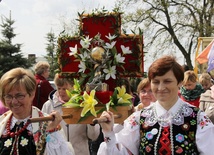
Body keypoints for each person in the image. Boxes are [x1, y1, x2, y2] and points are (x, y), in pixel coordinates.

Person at [97, 55, 214, 155]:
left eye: (167, 81)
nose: (161, 88)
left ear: (179, 83)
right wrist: (108, 132)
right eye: (156, 82)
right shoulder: (139, 118)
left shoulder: (197, 118)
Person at [0, 67, 75, 155]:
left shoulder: (47, 123)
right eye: (8, 96)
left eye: (19, 96)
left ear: (32, 94)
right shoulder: (2, 122)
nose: (14, 101)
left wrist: (51, 131)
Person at [42, 73, 100, 155]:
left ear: (74, 87)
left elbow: (93, 136)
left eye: (65, 89)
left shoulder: (84, 105)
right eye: (59, 88)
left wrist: (91, 122)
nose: (61, 92)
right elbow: (41, 134)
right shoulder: (48, 106)